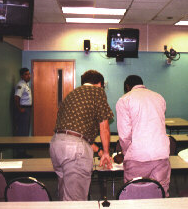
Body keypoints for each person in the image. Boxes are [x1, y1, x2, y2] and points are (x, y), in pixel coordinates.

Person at [50, 70, 114, 201]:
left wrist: (100, 151)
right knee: (76, 202)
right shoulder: (98, 92)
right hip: (74, 149)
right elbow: (104, 127)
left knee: (64, 195)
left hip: (56, 145)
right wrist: (107, 152)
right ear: (100, 84)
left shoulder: (72, 94)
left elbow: (77, 133)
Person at [116, 75, 171, 197]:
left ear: (127, 86)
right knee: (160, 193)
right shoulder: (159, 97)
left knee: (135, 195)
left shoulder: (125, 100)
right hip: (161, 154)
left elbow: (125, 135)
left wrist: (126, 153)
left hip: (138, 156)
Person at [14, 68, 32, 157]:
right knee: (22, 131)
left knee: (25, 131)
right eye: (26, 74)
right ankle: (20, 153)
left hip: (27, 110)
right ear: (21, 76)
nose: (29, 76)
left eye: (29, 74)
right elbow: (16, 97)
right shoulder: (21, 85)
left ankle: (23, 152)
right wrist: (19, 109)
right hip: (23, 110)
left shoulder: (26, 84)